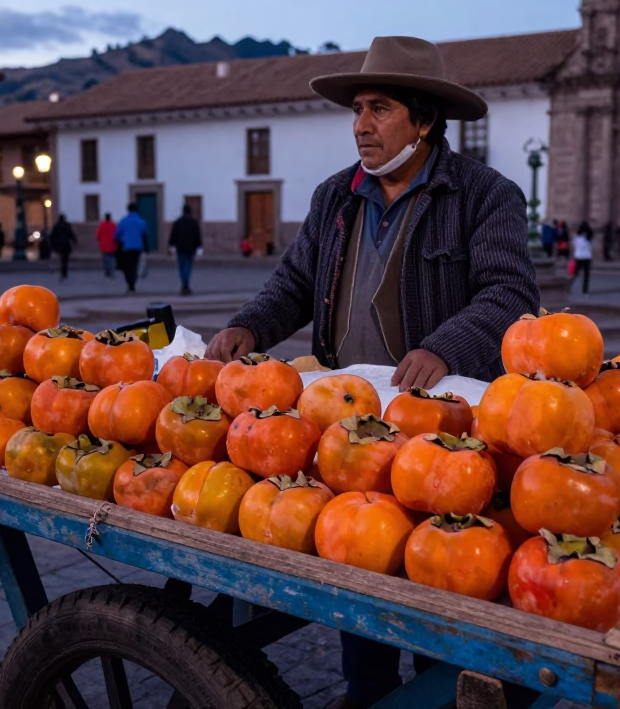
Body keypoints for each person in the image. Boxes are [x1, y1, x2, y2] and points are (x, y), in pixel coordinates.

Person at [203, 36, 538, 709]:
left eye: (379, 109)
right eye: (358, 108)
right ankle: (368, 690)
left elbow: (510, 294)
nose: (361, 124)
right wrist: (248, 325)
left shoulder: (485, 196)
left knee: (436, 573)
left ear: (424, 121)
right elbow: (293, 284)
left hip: (438, 427)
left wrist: (445, 346)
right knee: (362, 558)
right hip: (350, 425)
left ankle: (439, 684)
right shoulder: (335, 198)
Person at [168, 204, 203, 295]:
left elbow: (173, 235)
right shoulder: (194, 222)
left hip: (180, 247)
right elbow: (197, 235)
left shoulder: (177, 222)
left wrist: (171, 246)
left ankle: (184, 283)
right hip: (190, 247)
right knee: (188, 266)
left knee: (181, 266)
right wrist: (199, 247)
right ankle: (186, 284)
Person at [115, 203, 149, 293]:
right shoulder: (141, 221)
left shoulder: (123, 221)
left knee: (127, 266)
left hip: (126, 247)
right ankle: (133, 282)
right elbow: (145, 233)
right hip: (138, 247)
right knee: (135, 265)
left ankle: (129, 283)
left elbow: (117, 235)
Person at [49, 214, 77, 280]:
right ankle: (64, 272)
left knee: (62, 259)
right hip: (66, 245)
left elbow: (52, 236)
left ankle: (63, 272)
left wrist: (52, 245)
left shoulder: (57, 226)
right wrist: (74, 241)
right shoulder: (66, 226)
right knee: (65, 259)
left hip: (60, 245)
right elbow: (71, 234)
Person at [571, 221, 594, 294]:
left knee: (575, 273)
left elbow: (574, 246)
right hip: (587, 257)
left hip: (578, 256)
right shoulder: (589, 238)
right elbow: (590, 247)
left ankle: (569, 286)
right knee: (586, 275)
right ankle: (585, 289)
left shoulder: (577, 238)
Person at [96, 213, 118, 278]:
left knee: (106, 259)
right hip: (112, 244)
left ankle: (107, 271)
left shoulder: (101, 225)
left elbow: (98, 235)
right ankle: (111, 270)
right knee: (112, 258)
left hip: (104, 244)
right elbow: (117, 234)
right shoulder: (113, 225)